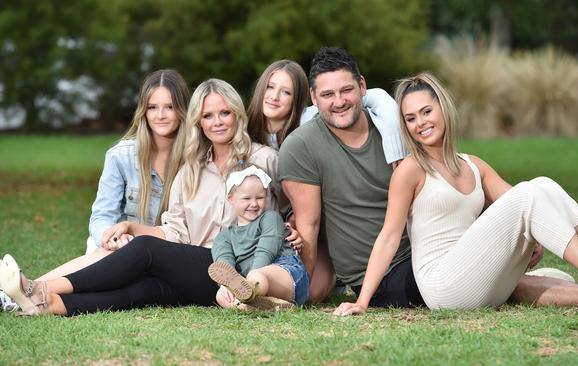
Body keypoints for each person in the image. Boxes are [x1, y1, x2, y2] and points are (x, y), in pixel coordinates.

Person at [333, 72, 578, 316]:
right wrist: (362, 302)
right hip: (442, 286)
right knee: (532, 191)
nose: (420, 124)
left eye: (426, 112)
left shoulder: (474, 165)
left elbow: (537, 204)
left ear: (443, 108)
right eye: (410, 118)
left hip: (475, 275)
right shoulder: (410, 170)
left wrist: (574, 217)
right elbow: (389, 237)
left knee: (544, 207)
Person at [0, 78, 297, 316]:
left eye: (225, 113)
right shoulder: (190, 172)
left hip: (239, 270)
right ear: (198, 122)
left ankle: (39, 287)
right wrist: (130, 227)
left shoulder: (266, 159)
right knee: (145, 290)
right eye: (207, 115)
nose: (217, 122)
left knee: (146, 251)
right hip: (197, 273)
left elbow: (291, 208)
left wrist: (293, 225)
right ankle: (50, 305)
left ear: (237, 114)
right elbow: (174, 232)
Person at [0, 69, 190, 311]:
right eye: (153, 107)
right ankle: (23, 293)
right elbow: (101, 217)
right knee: (116, 254)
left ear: (182, 110)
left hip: (164, 256)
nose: (160, 115)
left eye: (169, 107)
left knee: (133, 263)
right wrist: (112, 238)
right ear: (143, 111)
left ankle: (25, 292)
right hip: (114, 251)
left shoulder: (194, 161)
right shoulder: (121, 156)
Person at [279, 47, 425, 307]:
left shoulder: (394, 129)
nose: (339, 101)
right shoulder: (301, 146)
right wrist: (303, 289)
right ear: (313, 97)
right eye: (327, 94)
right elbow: (309, 226)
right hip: (382, 276)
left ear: (362, 86)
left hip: (428, 247)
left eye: (346, 90)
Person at [247, 59, 408, 166]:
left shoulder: (308, 118)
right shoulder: (244, 128)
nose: (274, 97)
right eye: (270, 86)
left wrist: (395, 148)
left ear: (297, 98)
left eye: (286, 92)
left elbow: (377, 96)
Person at [208, 164, 309, 309]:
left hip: (286, 275)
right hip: (251, 283)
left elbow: (266, 251)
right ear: (230, 199)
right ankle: (260, 306)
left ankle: (248, 296)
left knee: (257, 275)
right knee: (221, 295)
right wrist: (226, 285)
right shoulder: (224, 237)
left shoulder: (270, 218)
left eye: (260, 198)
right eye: (246, 198)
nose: (254, 204)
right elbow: (224, 266)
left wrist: (249, 280)